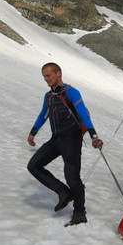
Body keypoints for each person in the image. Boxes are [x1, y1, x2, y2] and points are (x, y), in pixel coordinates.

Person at [27, 63, 104, 226]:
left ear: (58, 73)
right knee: (34, 165)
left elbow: (83, 113)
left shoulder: (71, 92)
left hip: (72, 139)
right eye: (44, 77)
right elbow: (43, 115)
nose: (46, 79)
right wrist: (33, 132)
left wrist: (94, 136)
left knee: (72, 176)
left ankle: (79, 212)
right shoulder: (49, 97)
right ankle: (63, 192)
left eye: (48, 75)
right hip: (56, 139)